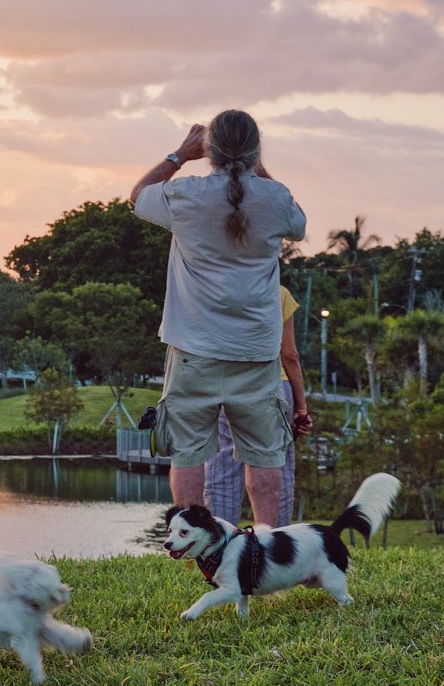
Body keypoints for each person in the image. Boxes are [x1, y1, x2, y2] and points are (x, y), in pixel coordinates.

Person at [129, 110, 306, 522]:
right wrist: (257, 167)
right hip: (257, 353)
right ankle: (266, 552)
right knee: (264, 458)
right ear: (256, 150)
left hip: (194, 349)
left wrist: (178, 156)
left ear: (207, 149)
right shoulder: (276, 198)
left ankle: (196, 554)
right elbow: (297, 225)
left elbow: (138, 197)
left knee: (190, 453)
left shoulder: (186, 194)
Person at [205, 284, 314, 526]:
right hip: (274, 385)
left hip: (225, 383)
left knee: (222, 468)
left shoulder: (217, 288)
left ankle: (217, 547)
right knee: (276, 467)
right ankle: (275, 546)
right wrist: (301, 406)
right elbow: (289, 355)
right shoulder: (279, 292)